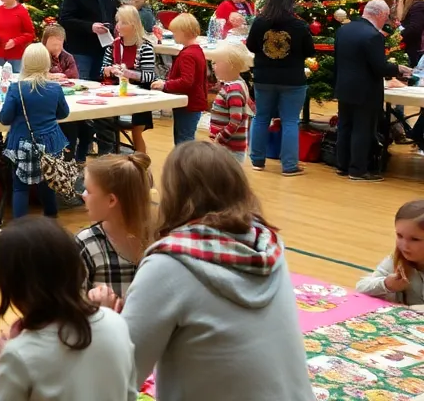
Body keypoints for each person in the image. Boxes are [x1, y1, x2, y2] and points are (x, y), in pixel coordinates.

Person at [93, 140, 313, 401]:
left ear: (174, 196)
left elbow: (118, 379)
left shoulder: (168, 265)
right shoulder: (268, 245)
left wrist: (105, 324)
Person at [0, 217, 137, 401]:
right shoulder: (117, 323)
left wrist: (5, 363)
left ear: (12, 288)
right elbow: (130, 395)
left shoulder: (18, 355)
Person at [333, 0, 410, 181]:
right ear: (381, 15)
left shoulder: (344, 29)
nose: (386, 20)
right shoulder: (374, 36)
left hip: (344, 86)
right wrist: (398, 68)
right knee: (363, 129)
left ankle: (342, 165)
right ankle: (358, 170)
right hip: (365, 91)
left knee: (345, 126)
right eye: (386, 16)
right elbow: (379, 67)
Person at [245, 0, 314, 175]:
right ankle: (289, 166)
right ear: (291, 2)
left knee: (261, 117)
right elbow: (310, 51)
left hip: (264, 77)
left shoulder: (260, 22)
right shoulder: (299, 25)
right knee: (290, 121)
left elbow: (251, 46)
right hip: (292, 79)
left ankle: (257, 160)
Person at [0, 43, 70, 219]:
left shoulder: (16, 88)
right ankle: (51, 216)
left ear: (25, 63)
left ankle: (20, 224)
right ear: (46, 63)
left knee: (20, 187)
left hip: (22, 141)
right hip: (50, 141)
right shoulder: (55, 88)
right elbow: (64, 113)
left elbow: (4, 118)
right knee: (48, 181)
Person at [77, 154, 153, 298]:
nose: (83, 195)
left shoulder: (157, 244)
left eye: (89, 191)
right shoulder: (85, 245)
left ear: (111, 200)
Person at [101, 5, 156, 155]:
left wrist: (129, 74)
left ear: (134, 25)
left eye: (123, 22)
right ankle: (108, 154)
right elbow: (103, 69)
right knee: (104, 121)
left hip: (139, 96)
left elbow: (150, 76)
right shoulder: (113, 46)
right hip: (115, 93)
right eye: (118, 22)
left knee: (137, 130)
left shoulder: (145, 47)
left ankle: (140, 162)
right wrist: (109, 70)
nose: (118, 26)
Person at [57, 0, 121, 81]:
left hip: (105, 49)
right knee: (82, 83)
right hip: (81, 51)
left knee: (102, 84)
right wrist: (90, 27)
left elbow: (116, 11)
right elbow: (65, 19)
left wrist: (116, 25)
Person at [151, 14, 208, 145]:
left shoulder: (188, 55)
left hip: (188, 104)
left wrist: (165, 85)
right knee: (184, 138)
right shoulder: (196, 50)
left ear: (183, 32)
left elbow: (186, 81)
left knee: (184, 142)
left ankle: (185, 159)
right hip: (193, 103)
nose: (173, 35)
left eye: (175, 32)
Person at [357, 199, 424, 304]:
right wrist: (386, 284)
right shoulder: (397, 260)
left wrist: (410, 309)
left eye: (415, 239)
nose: (404, 245)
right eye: (399, 236)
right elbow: (361, 287)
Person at [207, 42, 254, 162]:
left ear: (230, 65)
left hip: (230, 150)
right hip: (227, 148)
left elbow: (235, 120)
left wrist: (219, 138)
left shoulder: (234, 89)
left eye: (216, 62)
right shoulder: (237, 84)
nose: (213, 66)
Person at [399, 0, 424, 65]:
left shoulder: (419, 5)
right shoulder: (412, 3)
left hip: (415, 50)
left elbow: (415, 29)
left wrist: (398, 36)